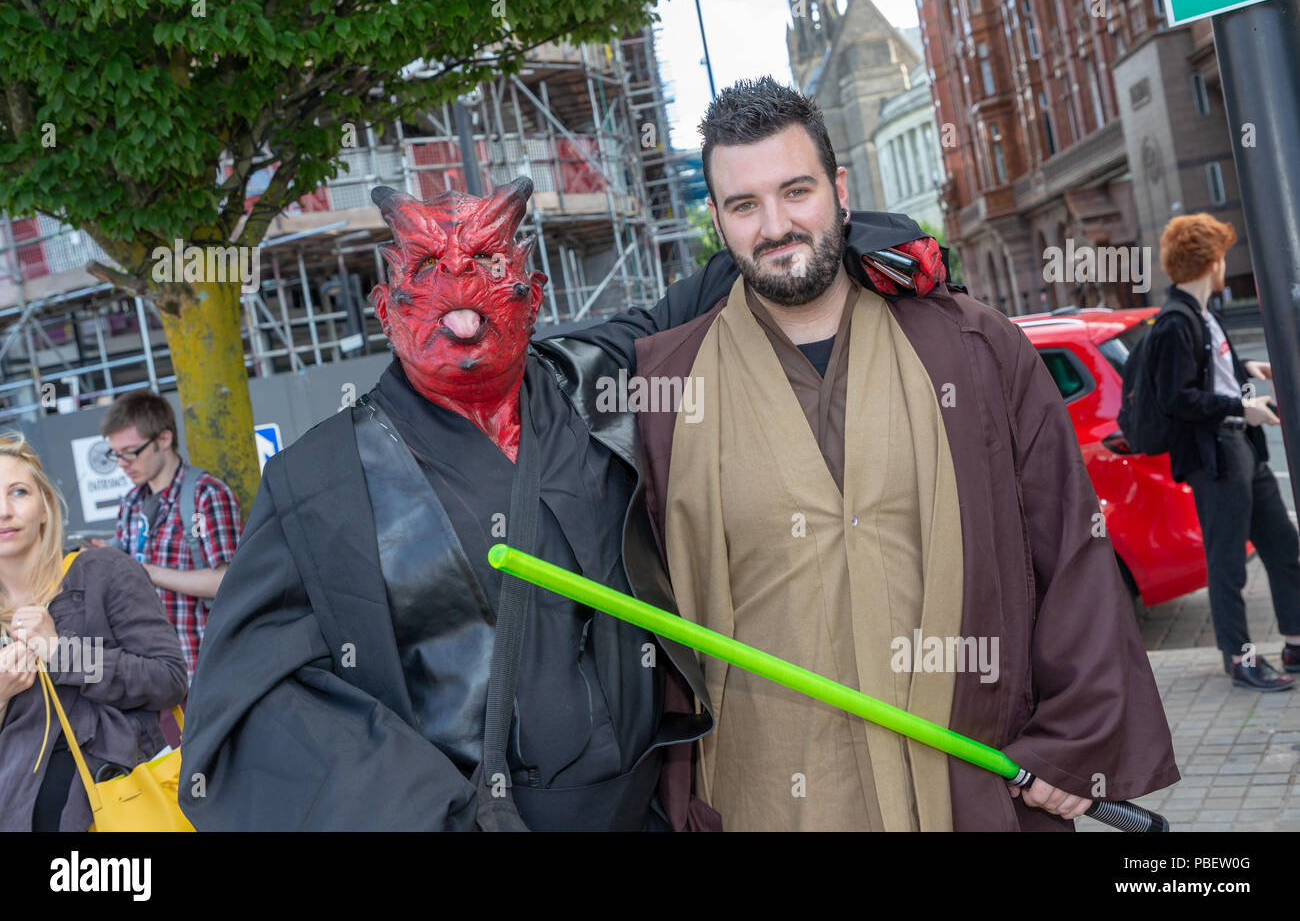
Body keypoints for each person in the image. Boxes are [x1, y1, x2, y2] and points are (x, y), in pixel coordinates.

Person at [631, 77, 1179, 831]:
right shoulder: (663, 386)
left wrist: (1076, 741)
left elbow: (1071, 551)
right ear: (719, 222)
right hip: (764, 797)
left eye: (797, 191)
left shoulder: (974, 348)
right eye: (744, 205)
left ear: (840, 188)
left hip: (964, 785)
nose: (776, 225)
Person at [179, 176, 737, 830]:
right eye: (427, 266)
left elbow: (739, 273)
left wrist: (860, 236)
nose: (459, 287)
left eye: (488, 262)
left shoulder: (593, 378)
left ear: (535, 295)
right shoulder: (318, 483)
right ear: (385, 307)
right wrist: (421, 812)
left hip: (645, 810)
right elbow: (245, 698)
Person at [0, 433, 187, 831]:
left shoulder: (102, 571)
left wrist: (61, 652)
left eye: (17, 492)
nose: (3, 510)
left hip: (124, 810)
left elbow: (168, 678)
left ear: (46, 507)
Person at [1146, 213, 1299, 692]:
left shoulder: (1203, 314)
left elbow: (1211, 372)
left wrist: (1247, 368)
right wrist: (1241, 407)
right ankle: (1240, 659)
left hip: (1241, 449)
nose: (1224, 263)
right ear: (1211, 262)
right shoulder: (1176, 322)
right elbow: (1177, 399)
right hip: (1216, 457)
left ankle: (1294, 643)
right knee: (1229, 563)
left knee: (1283, 548)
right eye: (1222, 256)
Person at [94, 390, 241, 681]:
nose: (122, 463)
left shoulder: (205, 494)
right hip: (151, 675)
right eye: (115, 454)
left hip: (207, 670)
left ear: (163, 439)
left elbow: (227, 580)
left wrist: (144, 571)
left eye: (131, 452)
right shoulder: (131, 502)